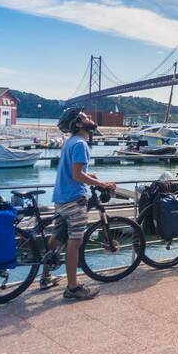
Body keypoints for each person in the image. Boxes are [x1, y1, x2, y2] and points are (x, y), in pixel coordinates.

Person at [44, 107, 116, 300]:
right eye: (86, 117)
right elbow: (77, 175)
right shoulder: (81, 144)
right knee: (75, 242)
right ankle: (73, 288)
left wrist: (88, 175)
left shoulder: (70, 142)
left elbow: (73, 172)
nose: (91, 117)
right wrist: (102, 184)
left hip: (61, 197)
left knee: (57, 236)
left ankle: (45, 276)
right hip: (74, 198)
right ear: (78, 124)